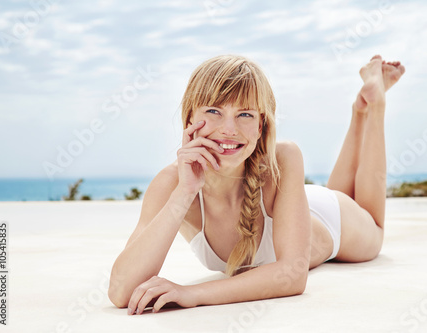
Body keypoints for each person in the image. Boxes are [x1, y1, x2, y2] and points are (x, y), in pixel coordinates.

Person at [108, 54, 405, 314]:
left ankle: (374, 106)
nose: (228, 130)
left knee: (373, 230)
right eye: (213, 111)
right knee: (337, 190)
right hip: (301, 205)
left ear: (261, 125)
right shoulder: (171, 183)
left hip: (331, 218)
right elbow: (121, 291)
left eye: (245, 114)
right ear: (190, 118)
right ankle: (359, 110)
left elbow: (292, 274)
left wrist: (193, 294)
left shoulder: (284, 156)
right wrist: (185, 192)